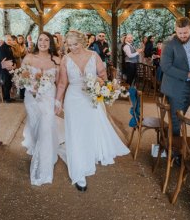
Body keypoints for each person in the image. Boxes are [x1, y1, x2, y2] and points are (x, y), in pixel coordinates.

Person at [54, 30, 129, 191]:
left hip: (91, 98)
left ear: (83, 42)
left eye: (76, 44)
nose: (72, 47)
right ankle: (78, 171)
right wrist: (57, 101)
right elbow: (62, 83)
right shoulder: (65, 59)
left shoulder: (94, 56)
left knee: (89, 130)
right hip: (73, 99)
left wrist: (99, 83)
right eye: (69, 44)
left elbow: (103, 76)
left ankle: (88, 153)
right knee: (75, 132)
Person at [21, 32, 63, 185]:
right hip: (31, 98)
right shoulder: (29, 58)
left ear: (51, 43)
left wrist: (58, 102)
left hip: (48, 98)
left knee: (45, 128)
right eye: (40, 40)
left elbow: (60, 83)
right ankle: (37, 146)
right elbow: (21, 77)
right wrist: (30, 87)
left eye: (46, 40)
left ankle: (42, 168)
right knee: (34, 126)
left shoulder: (57, 60)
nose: (43, 42)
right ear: (36, 42)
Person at [160, 17, 190, 135]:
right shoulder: (169, 44)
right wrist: (188, 74)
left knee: (180, 117)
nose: (182, 35)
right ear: (175, 30)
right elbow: (165, 67)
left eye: (185, 32)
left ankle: (167, 140)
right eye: (179, 33)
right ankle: (174, 150)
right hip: (174, 87)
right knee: (177, 120)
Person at [0, 34, 17, 102]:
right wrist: (9, 67)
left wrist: (15, 64)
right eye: (8, 40)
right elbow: (3, 59)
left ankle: (8, 97)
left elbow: (12, 57)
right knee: (6, 83)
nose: (9, 41)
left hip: (11, 67)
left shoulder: (9, 47)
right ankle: (6, 98)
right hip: (4, 68)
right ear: (5, 40)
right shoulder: (2, 48)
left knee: (9, 83)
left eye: (10, 40)